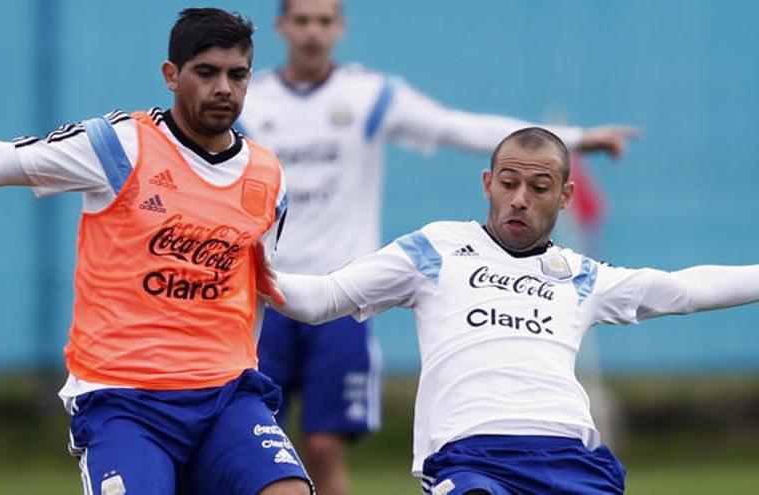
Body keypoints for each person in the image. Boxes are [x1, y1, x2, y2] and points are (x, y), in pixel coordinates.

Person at [0, 8, 312, 495]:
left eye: (237, 75)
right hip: (124, 399)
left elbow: (257, 288)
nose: (224, 88)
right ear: (171, 75)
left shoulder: (266, 174)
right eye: (207, 73)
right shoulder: (120, 146)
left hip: (226, 396)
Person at [237, 0, 641, 493]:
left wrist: (572, 139)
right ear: (281, 26)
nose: (312, 32)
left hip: (340, 292)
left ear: (340, 27)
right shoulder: (249, 100)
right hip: (268, 289)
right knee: (256, 441)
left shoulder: (368, 95)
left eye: (324, 21)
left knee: (323, 445)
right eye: (302, 20)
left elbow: (455, 126)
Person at [255, 127, 759, 495]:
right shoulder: (435, 248)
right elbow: (323, 297)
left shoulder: (581, 275)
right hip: (471, 456)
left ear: (564, 196)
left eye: (538, 188)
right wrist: (245, 266)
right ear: (487, 183)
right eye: (508, 183)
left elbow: (685, 289)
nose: (519, 199)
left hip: (569, 455)